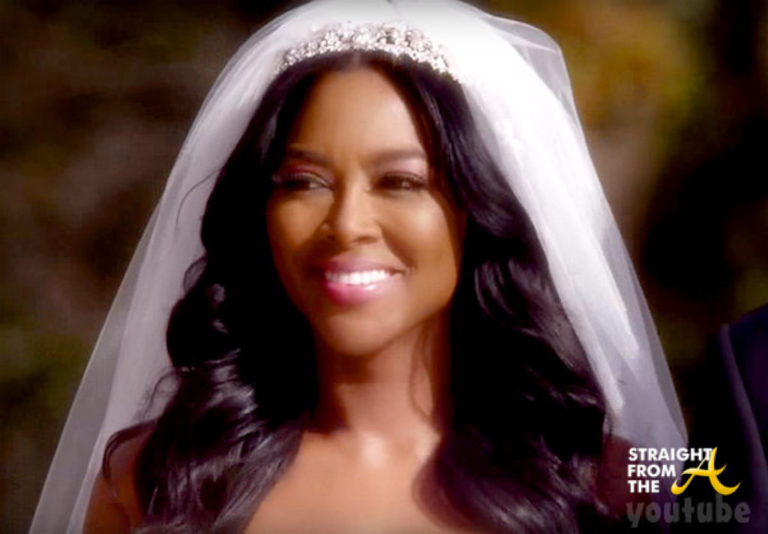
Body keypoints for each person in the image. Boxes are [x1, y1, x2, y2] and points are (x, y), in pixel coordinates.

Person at [29, 1, 687, 533]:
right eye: (304, 182)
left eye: (400, 182)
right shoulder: (157, 480)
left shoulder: (611, 486)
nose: (346, 224)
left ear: (479, 210)